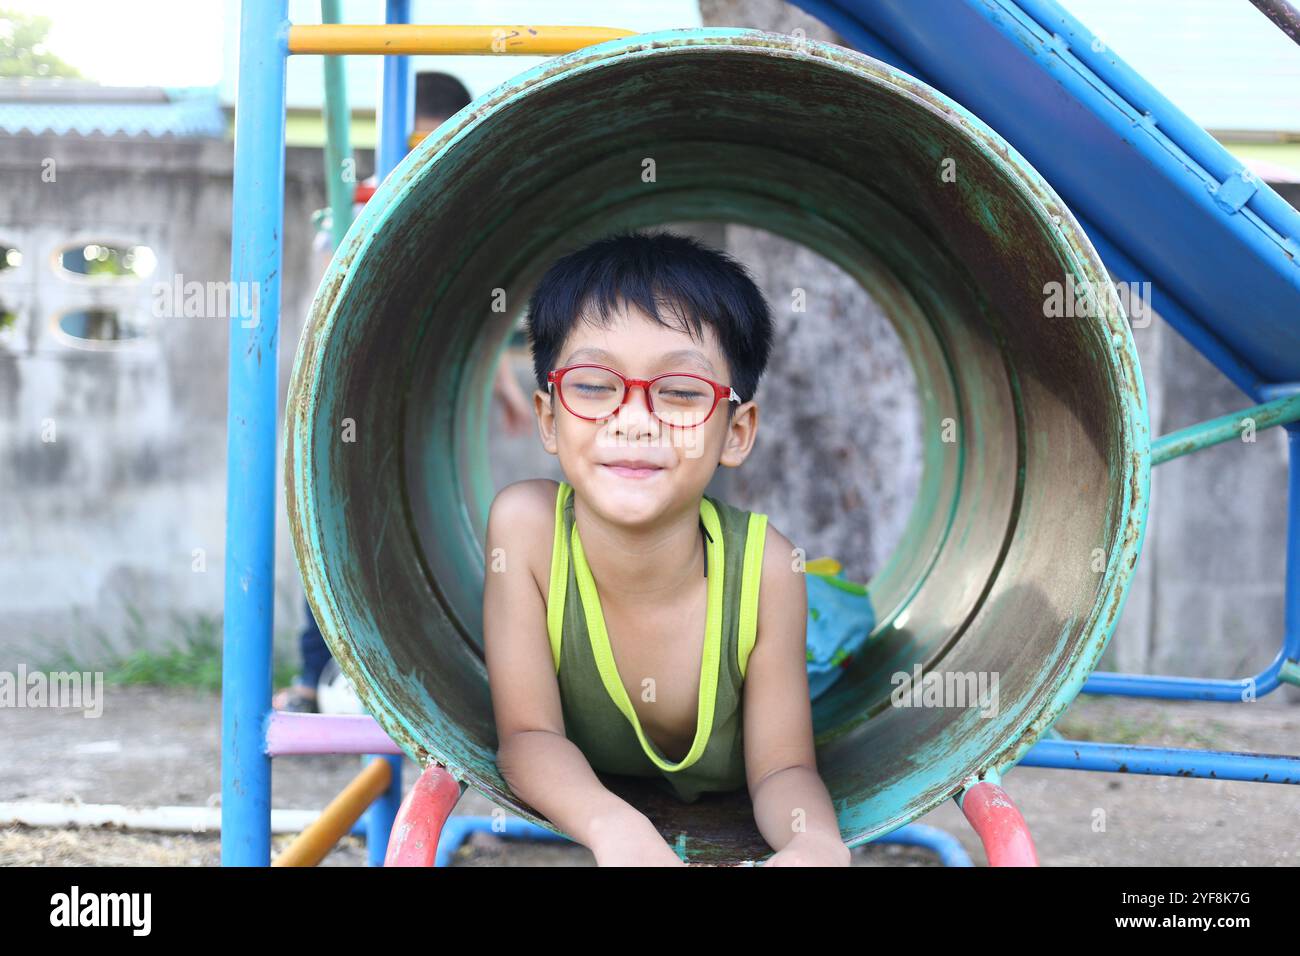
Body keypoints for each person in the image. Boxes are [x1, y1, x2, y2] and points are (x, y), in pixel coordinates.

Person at [483, 230, 861, 866]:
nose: (634, 419)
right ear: (548, 418)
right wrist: (617, 829)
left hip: (793, 631)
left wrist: (815, 842)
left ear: (736, 432)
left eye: (682, 392)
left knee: (829, 635)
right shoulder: (527, 533)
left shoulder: (767, 572)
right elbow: (526, 736)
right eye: (596, 385)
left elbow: (783, 768)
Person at [274, 70, 531, 712]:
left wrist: (501, 385)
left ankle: (403, 671)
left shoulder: (462, 208)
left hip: (412, 405)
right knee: (337, 532)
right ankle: (321, 674)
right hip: (357, 399)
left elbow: (481, 313)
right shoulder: (363, 201)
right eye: (423, 140)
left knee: (399, 534)